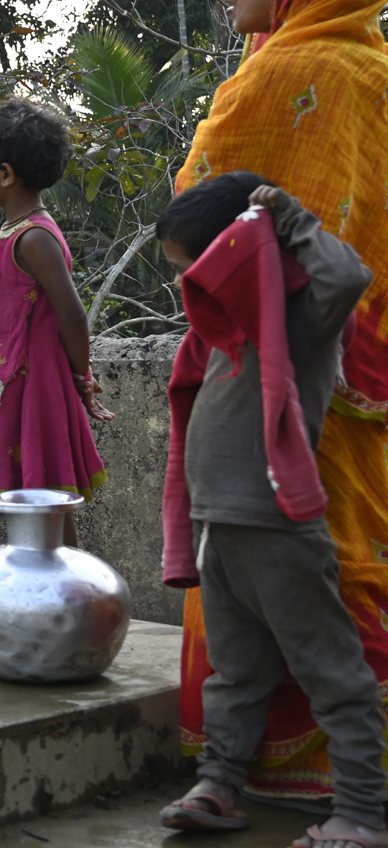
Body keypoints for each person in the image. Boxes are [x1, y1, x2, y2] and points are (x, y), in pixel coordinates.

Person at [172, 0, 388, 809]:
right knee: (346, 566)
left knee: (306, 608)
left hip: (288, 374)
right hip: (357, 372)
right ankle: (253, 776)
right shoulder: (376, 74)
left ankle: (345, 795)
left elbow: (197, 209)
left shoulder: (282, 76)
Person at [156, 175, 383, 848]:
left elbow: (349, 275)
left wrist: (286, 216)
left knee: (331, 670)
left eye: (187, 266)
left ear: (233, 251)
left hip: (278, 528)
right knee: (238, 671)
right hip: (218, 531)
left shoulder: (297, 317)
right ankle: (220, 783)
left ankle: (364, 813)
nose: (181, 283)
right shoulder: (217, 337)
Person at [0, 99, 113, 535]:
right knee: (27, 497)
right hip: (8, 384)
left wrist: (83, 379)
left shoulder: (34, 237)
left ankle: (64, 588)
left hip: (34, 383)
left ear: (5, 174)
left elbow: (73, 316)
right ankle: (40, 586)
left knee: (46, 494)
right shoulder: (10, 233)